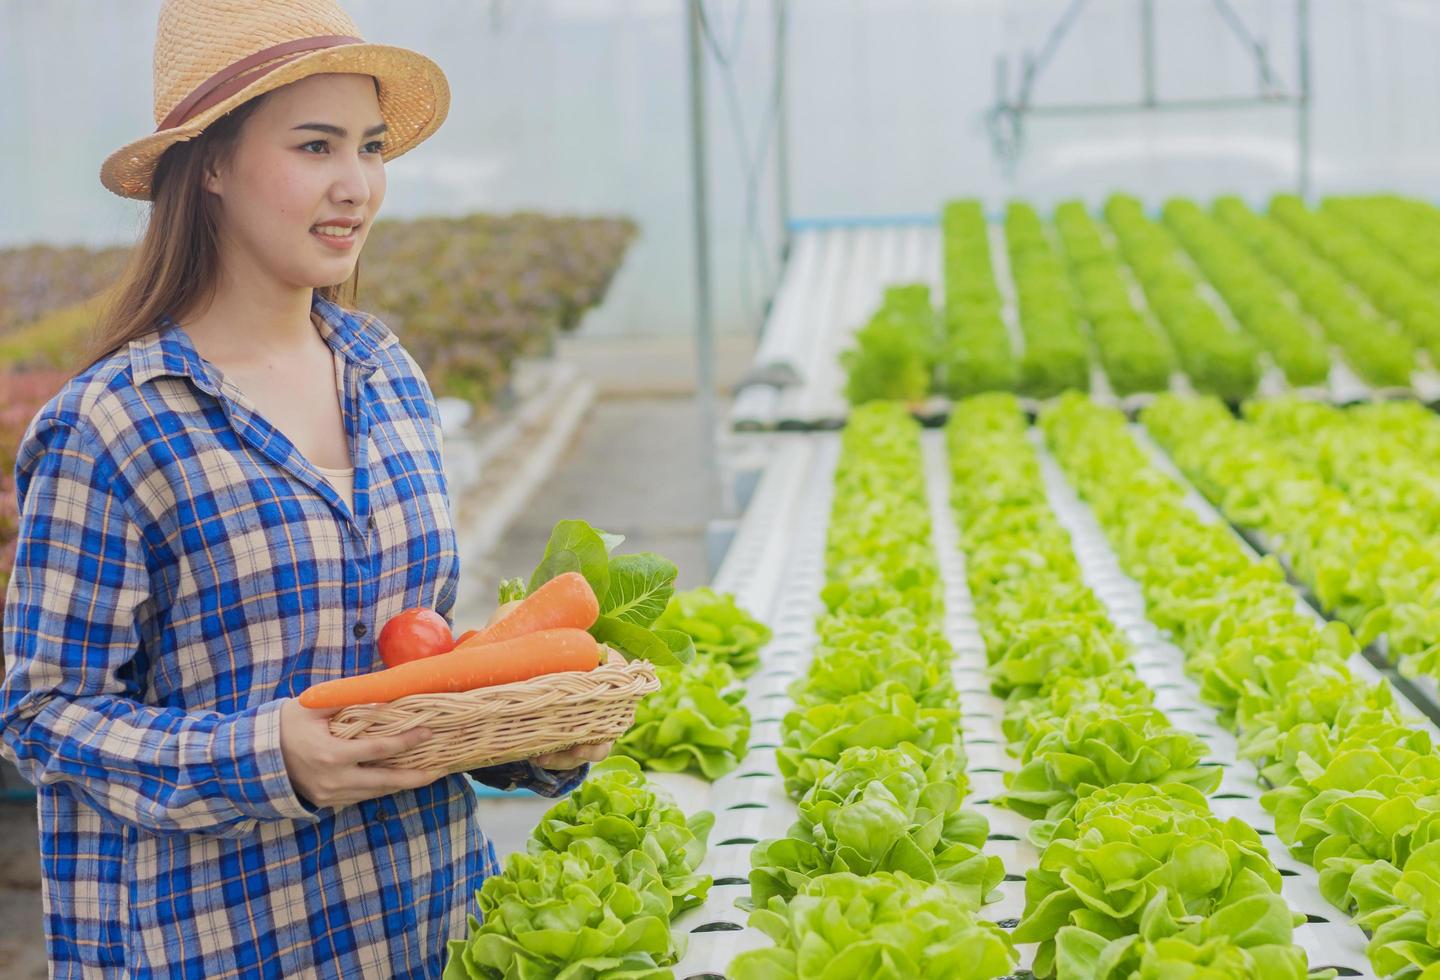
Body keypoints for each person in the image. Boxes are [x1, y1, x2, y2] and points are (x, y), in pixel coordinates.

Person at [0, 1, 609, 976]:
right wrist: (267, 755)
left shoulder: (387, 374)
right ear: (207, 164)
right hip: (229, 945)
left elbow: (410, 673)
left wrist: (528, 734)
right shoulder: (117, 423)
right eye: (315, 145)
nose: (356, 185)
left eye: (370, 147)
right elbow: (41, 714)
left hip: (436, 925)